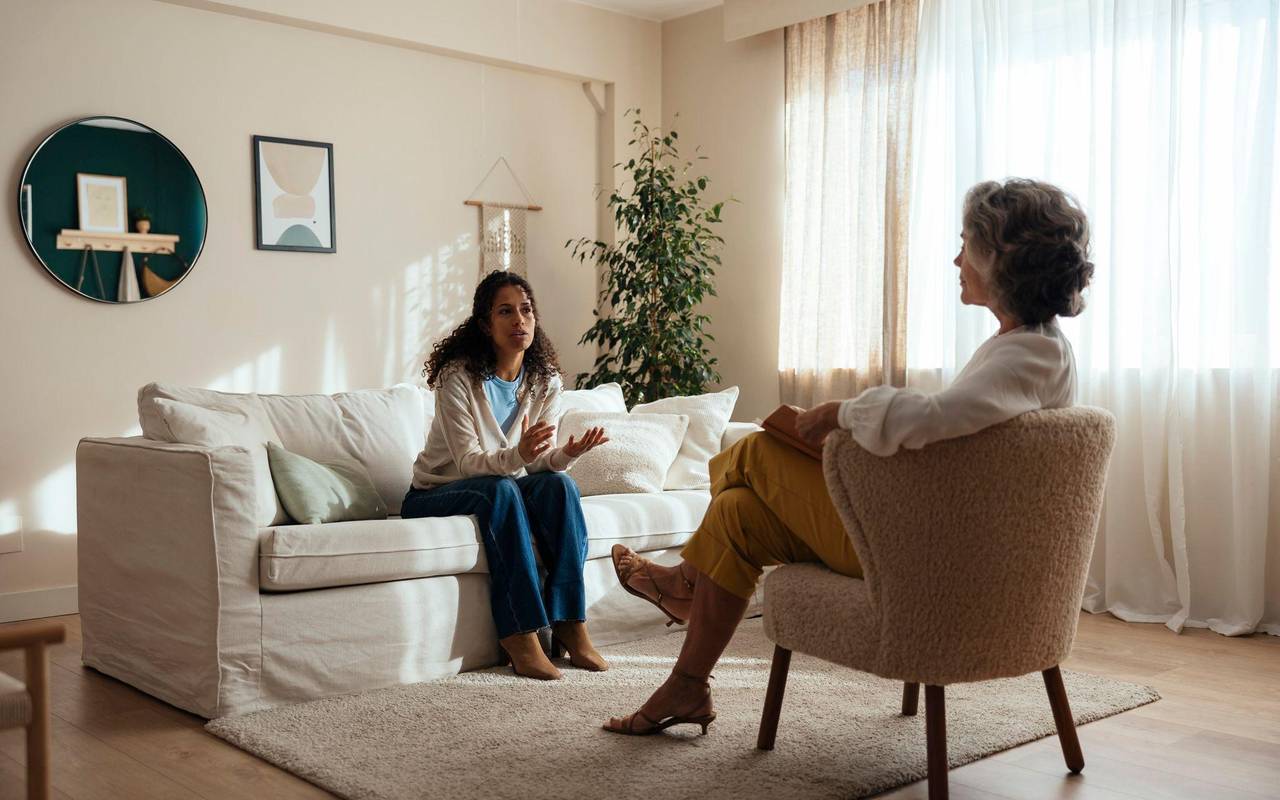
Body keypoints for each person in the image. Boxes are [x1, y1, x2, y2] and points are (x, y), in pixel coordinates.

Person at [604, 178, 1095, 734]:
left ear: (999, 258)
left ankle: (684, 583)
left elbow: (931, 419)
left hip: (927, 557)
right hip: (935, 539)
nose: (957, 258)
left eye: (965, 244)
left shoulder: (1025, 357)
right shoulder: (1032, 349)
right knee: (737, 513)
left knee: (756, 451)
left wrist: (839, 413)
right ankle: (687, 685)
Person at [404, 270, 610, 681]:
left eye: (526, 310)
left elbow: (533, 465)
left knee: (559, 486)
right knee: (500, 491)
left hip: (501, 485)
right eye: (506, 311)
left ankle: (570, 621)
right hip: (434, 492)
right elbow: (468, 463)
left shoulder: (545, 381)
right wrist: (519, 453)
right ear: (485, 324)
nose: (520, 320)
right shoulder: (456, 378)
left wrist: (563, 455)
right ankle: (519, 634)